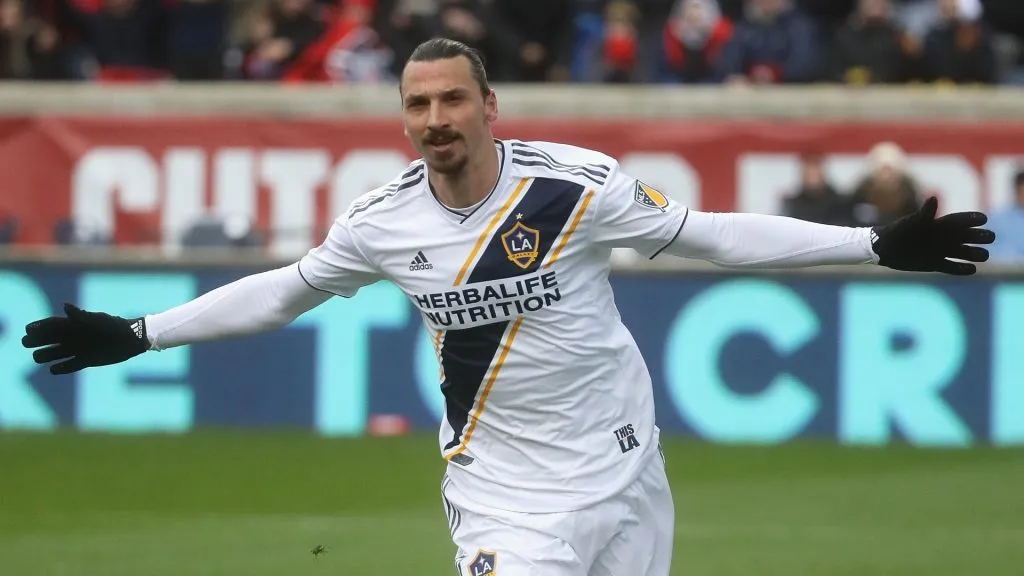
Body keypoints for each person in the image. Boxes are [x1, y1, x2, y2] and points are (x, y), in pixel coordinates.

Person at [22, 37, 994, 576]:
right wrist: (140, 332)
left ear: (489, 106)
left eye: (452, 100)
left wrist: (871, 245)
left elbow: (709, 235)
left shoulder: (574, 187)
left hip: (627, 468)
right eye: (417, 106)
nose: (435, 120)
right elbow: (285, 293)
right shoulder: (382, 222)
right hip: (508, 499)